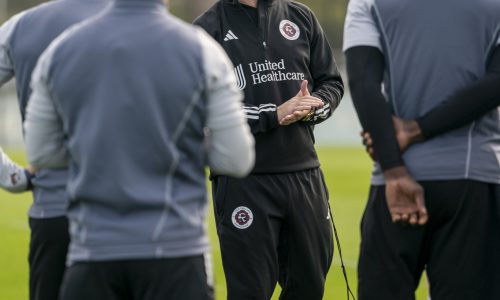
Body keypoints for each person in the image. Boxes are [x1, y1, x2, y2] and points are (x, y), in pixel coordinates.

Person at [24, 0, 254, 299]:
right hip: (177, 254)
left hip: (92, 254)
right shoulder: (203, 51)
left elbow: (40, 152)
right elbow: (236, 158)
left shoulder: (61, 50)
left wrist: (96, 144)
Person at [343, 0, 500, 299]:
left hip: (394, 182)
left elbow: (363, 82)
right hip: (472, 182)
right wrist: (417, 129)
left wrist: (393, 169)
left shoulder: (368, 2)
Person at [194, 1, 344, 299]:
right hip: (244, 182)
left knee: (310, 287)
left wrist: (313, 107)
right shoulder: (205, 31)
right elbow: (204, 110)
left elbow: (331, 82)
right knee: (250, 291)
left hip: (304, 176)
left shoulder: (301, 16)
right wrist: (273, 113)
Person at [0, 0, 110, 299]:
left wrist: (9, 176)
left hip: (54, 214)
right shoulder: (143, 24)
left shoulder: (20, 26)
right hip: (133, 218)